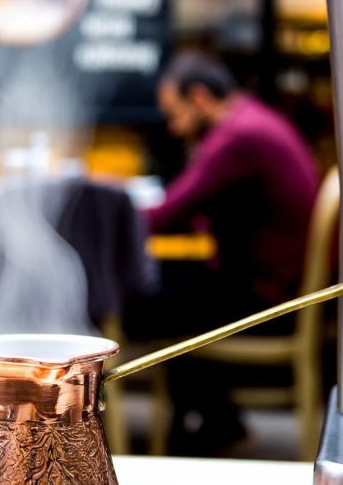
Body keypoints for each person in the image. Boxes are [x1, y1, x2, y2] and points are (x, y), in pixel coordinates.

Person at [128, 52, 320, 454]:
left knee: (142, 306)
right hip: (277, 280)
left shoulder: (237, 136)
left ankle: (201, 433)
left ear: (199, 98)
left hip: (267, 293)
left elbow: (165, 214)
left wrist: (109, 216)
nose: (173, 127)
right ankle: (214, 422)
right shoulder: (254, 119)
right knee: (170, 298)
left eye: (176, 113)